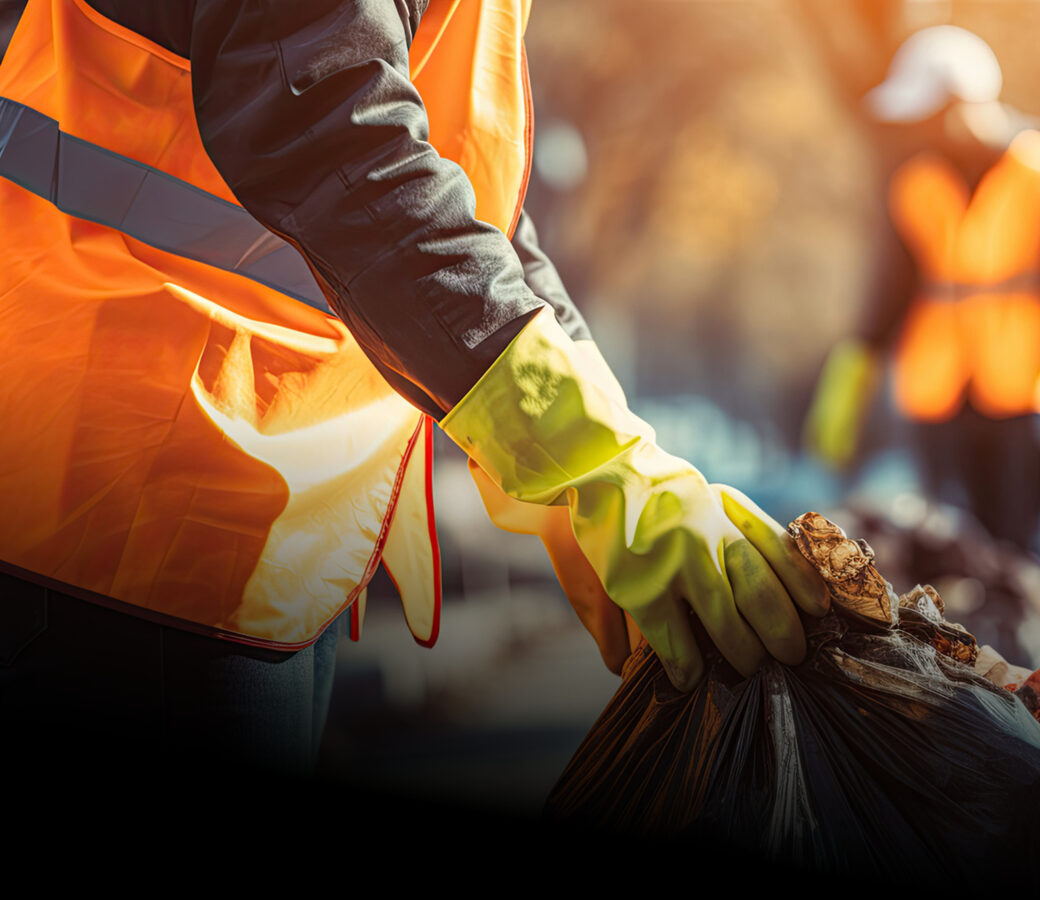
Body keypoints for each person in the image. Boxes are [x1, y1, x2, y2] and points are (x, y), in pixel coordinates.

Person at [0, 0, 827, 772]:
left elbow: (470, 194)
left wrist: (593, 454)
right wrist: (591, 460)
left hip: (231, 518)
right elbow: (329, 124)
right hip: (121, 506)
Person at [804, 25, 1040, 558]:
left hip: (1029, 389)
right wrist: (849, 376)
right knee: (953, 547)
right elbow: (892, 288)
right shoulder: (915, 180)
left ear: (957, 107)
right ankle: (973, 644)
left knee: (1034, 545)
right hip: (941, 394)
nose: (911, 132)